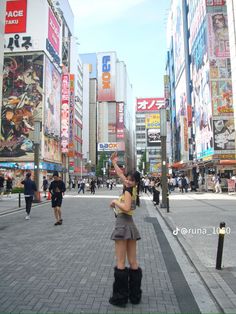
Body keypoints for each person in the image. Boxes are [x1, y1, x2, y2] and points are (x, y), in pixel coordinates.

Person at [109, 152, 142, 307]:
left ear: (135, 182)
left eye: (131, 180)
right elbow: (121, 175)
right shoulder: (132, 189)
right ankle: (134, 296)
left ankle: (120, 298)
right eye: (128, 178)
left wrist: (115, 202)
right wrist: (114, 162)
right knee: (133, 261)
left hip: (122, 225)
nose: (127, 181)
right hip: (130, 225)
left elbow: (126, 207)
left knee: (121, 262)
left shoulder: (128, 191)